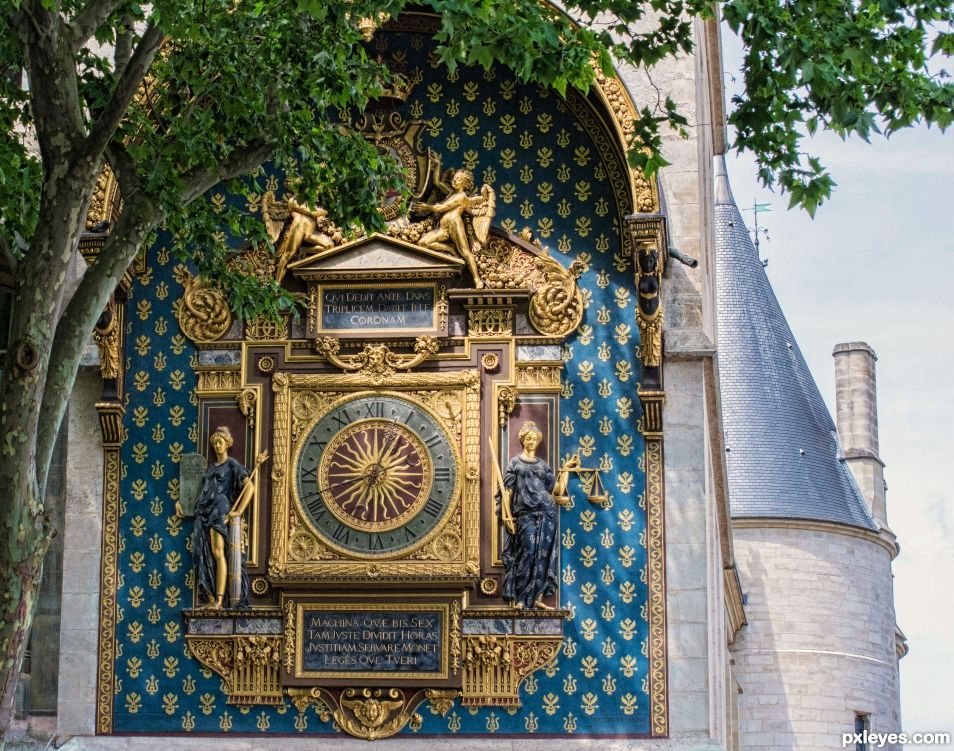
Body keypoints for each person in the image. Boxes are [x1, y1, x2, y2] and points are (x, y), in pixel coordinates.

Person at [500, 422, 578, 609]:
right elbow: (507, 493)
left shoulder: (543, 466)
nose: (531, 442)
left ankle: (538, 598)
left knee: (543, 555)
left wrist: (565, 469)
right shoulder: (515, 463)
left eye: (535, 439)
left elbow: (557, 490)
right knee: (527, 552)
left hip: (547, 513)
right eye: (528, 439)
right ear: (522, 440)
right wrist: (506, 515)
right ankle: (520, 599)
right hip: (525, 514)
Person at [177, 426, 255, 609]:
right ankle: (212, 598)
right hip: (203, 512)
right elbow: (200, 492)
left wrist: (238, 511)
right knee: (204, 553)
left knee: (218, 552)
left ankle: (219, 600)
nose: (217, 446)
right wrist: (181, 503)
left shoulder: (232, 465)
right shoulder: (211, 468)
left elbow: (250, 487)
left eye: (220, 442)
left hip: (219, 509)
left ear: (227, 444)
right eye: (214, 443)